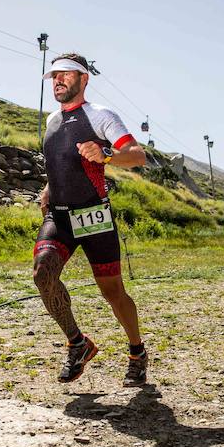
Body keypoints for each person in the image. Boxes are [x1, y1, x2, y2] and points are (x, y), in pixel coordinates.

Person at [33, 53, 148, 387]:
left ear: (84, 79)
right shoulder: (52, 120)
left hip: (93, 216)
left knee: (113, 292)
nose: (58, 80)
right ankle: (78, 344)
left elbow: (137, 155)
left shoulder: (100, 116)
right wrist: (47, 189)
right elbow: (62, 162)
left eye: (66, 74)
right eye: (54, 75)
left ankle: (137, 352)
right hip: (60, 217)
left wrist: (107, 154)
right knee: (43, 273)